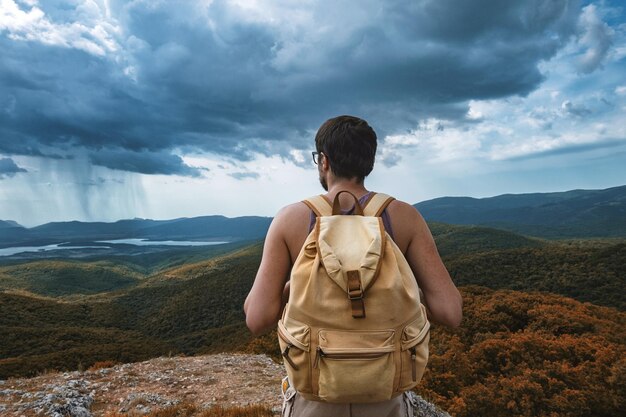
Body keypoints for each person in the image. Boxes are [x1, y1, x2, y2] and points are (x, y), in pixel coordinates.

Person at [244, 115, 463, 417]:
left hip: (313, 399)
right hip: (386, 399)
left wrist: (292, 288)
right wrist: (400, 290)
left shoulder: (290, 219)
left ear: (323, 161)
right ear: (368, 163)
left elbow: (257, 318)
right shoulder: (404, 217)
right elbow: (450, 313)